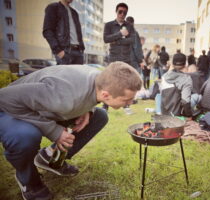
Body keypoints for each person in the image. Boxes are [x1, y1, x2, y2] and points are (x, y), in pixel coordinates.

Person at [0, 62, 142, 200]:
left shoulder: (101, 80)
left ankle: (50, 158)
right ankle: (28, 180)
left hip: (44, 106)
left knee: (99, 116)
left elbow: (89, 94)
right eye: (127, 100)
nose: (130, 103)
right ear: (105, 95)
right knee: (25, 136)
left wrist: (88, 109)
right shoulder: (64, 95)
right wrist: (54, 131)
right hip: (10, 109)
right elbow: (4, 97)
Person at [103, 3, 135, 114]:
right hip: (114, 57)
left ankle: (125, 105)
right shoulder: (109, 25)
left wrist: (117, 41)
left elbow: (132, 40)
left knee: (125, 83)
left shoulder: (130, 26)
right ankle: (105, 105)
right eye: (120, 11)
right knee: (110, 81)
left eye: (124, 12)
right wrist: (120, 33)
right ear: (116, 11)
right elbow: (106, 39)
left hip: (126, 58)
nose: (122, 14)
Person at [43, 0, 85, 65]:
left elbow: (78, 34)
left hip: (78, 52)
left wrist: (81, 50)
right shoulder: (53, 7)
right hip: (64, 52)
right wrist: (58, 51)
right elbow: (47, 31)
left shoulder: (74, 13)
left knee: (78, 75)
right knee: (65, 75)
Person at [161, 53, 201, 117]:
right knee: (198, 97)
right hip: (178, 116)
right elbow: (185, 101)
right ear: (185, 64)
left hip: (164, 114)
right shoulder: (186, 79)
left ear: (173, 64)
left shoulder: (164, 77)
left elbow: (162, 97)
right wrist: (189, 116)